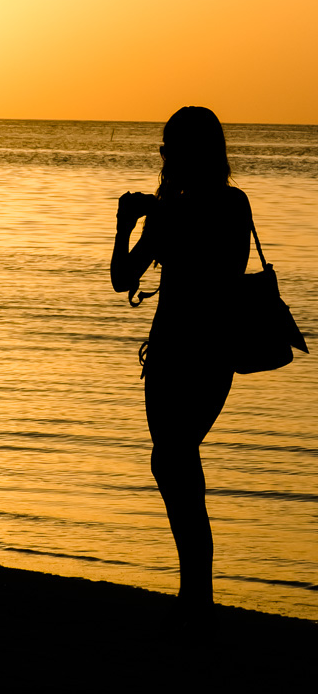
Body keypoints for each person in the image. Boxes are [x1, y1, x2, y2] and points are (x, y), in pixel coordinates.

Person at [110, 106, 252, 628]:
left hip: (179, 356)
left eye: (170, 147)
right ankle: (196, 594)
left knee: (173, 464)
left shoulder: (178, 212)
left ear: (190, 153)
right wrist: (153, 219)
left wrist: (128, 226)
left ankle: (196, 598)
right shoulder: (234, 205)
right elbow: (222, 270)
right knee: (177, 463)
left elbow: (123, 278)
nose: (164, 155)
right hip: (213, 356)